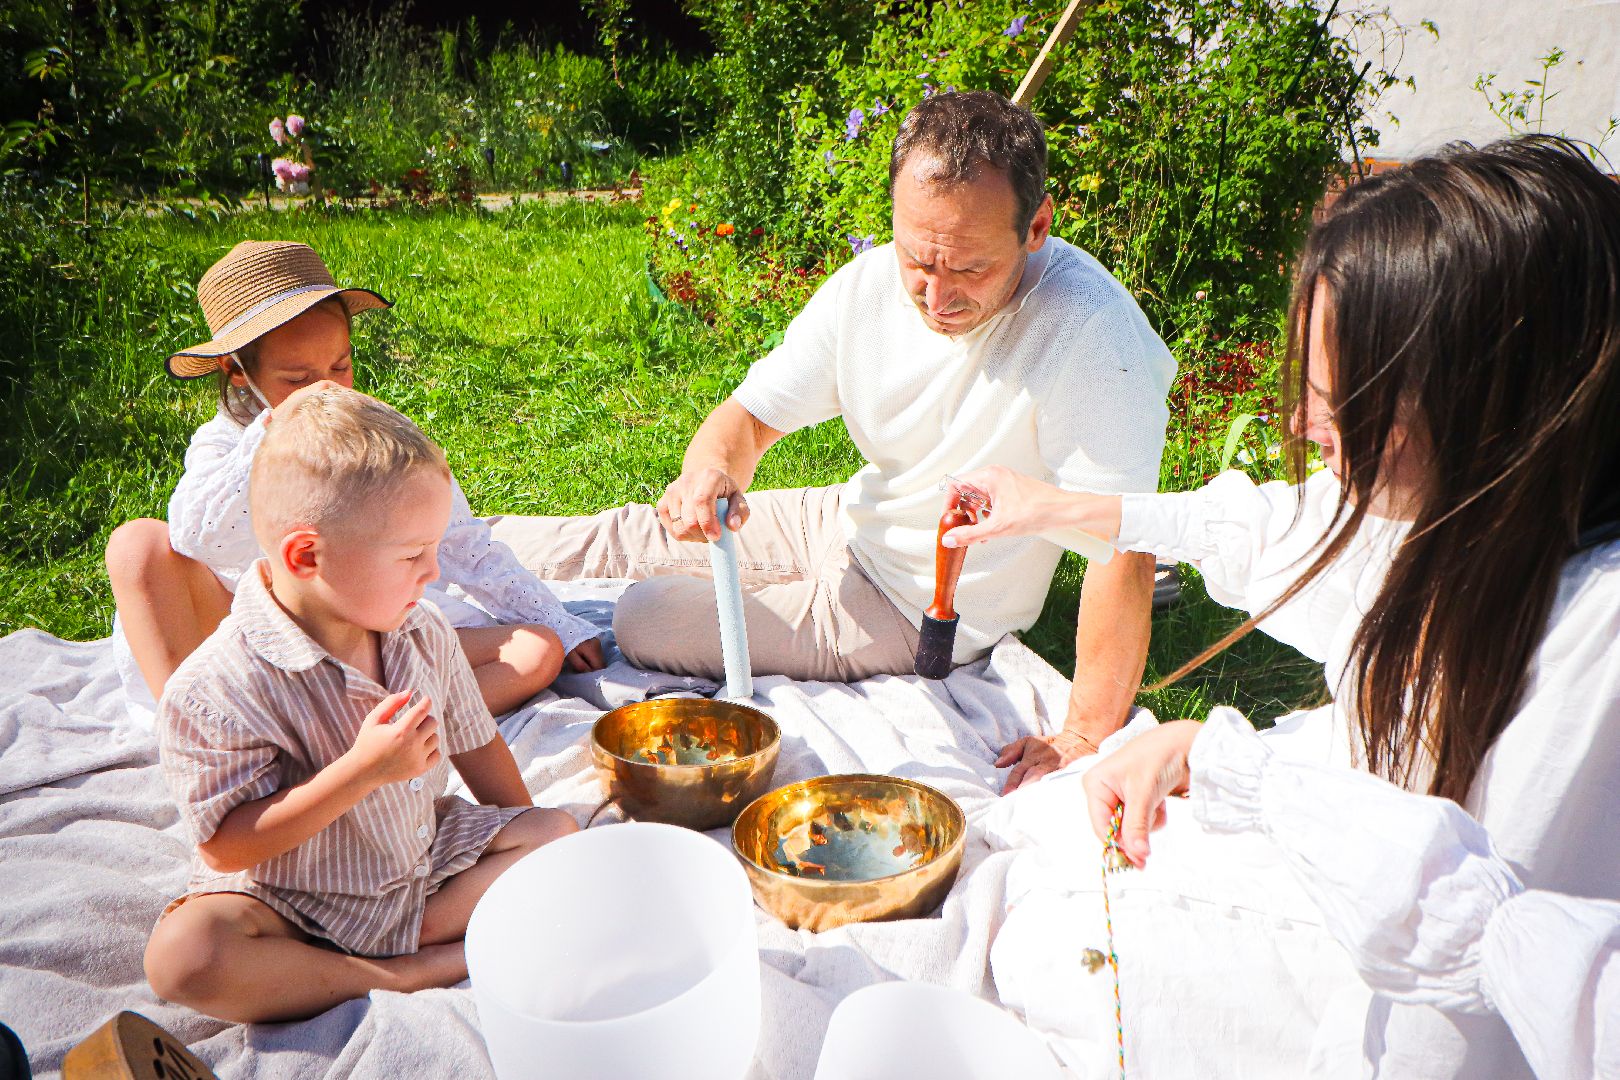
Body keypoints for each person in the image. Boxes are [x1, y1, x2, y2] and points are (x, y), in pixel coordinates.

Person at [963, 137, 1619, 1076]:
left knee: (1044, 944)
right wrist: (1054, 509)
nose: (1308, 431)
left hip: (1390, 1007)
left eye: (1335, 398)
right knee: (1035, 880)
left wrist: (1247, 776)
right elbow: (1278, 533)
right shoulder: (1461, 504)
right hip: (1345, 901)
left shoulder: (1594, 644)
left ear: (1483, 396)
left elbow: (1468, 1000)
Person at [492, 92, 1175, 791]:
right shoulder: (868, 290)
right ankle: (427, 550)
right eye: (919, 260)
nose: (936, 296)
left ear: (1036, 226)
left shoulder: (1093, 338)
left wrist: (1084, 733)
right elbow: (750, 420)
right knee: (615, 537)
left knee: (643, 616)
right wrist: (711, 473)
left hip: (919, 609)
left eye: (968, 269)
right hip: (849, 519)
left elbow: (1121, 544)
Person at [142, 387, 579, 1024]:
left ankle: (411, 943)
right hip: (288, 900)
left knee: (557, 835)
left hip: (416, 867)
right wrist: (364, 770)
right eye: (410, 556)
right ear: (306, 556)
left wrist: (541, 857)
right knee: (185, 957)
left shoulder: (421, 631)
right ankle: (391, 973)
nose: (431, 573)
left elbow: (477, 743)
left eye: (431, 550)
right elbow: (227, 848)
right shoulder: (215, 687)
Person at [105, 240, 605, 727]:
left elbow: (460, 542)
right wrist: (274, 432)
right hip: (256, 654)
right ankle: (201, 732)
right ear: (237, 372)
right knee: (137, 543)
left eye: (340, 366)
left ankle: (380, 733)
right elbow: (198, 536)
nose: (325, 388)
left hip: (365, 637)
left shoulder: (372, 440)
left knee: (536, 650)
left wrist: (557, 619)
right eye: (297, 379)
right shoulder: (225, 445)